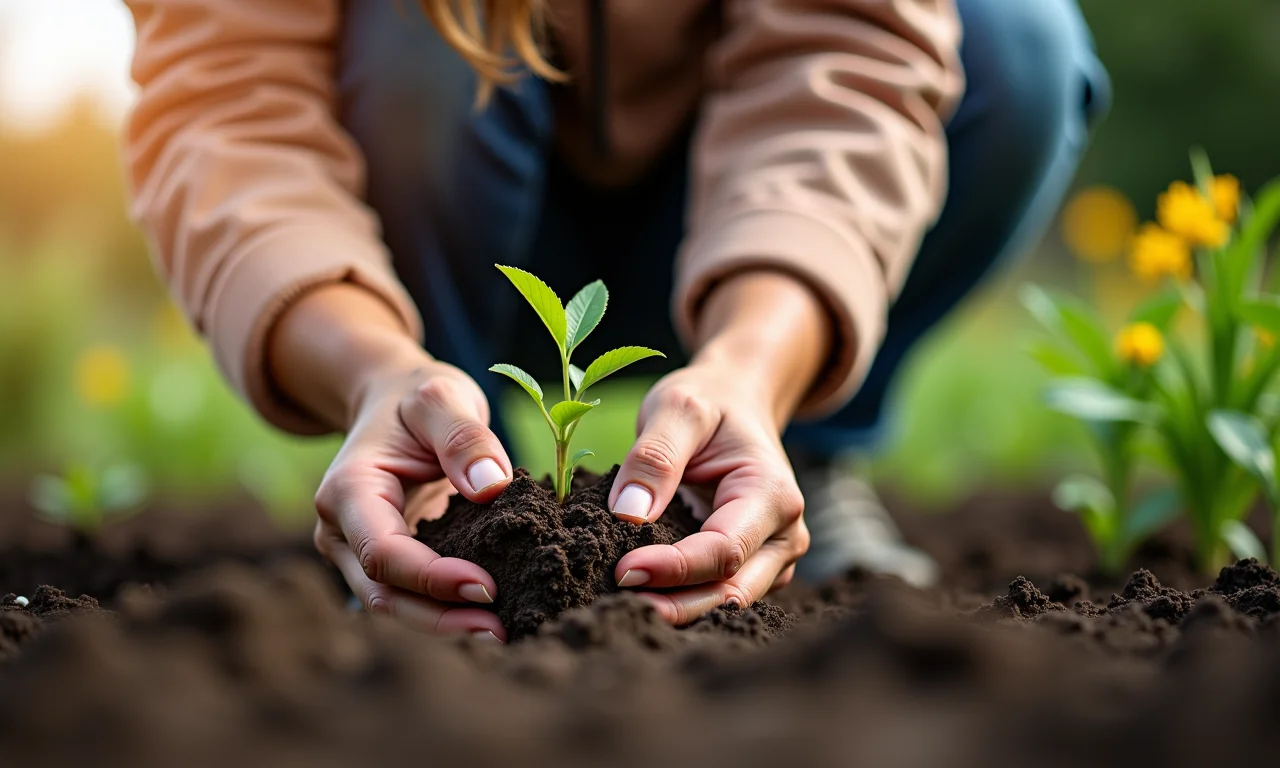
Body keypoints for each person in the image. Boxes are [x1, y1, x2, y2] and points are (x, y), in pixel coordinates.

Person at [123, 0, 1109, 641]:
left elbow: (847, 55)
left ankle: (786, 453)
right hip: (448, 215)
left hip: (737, 206)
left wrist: (755, 361)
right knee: (406, 33)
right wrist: (370, 362)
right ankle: (451, 496)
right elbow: (226, 107)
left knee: (1016, 44)